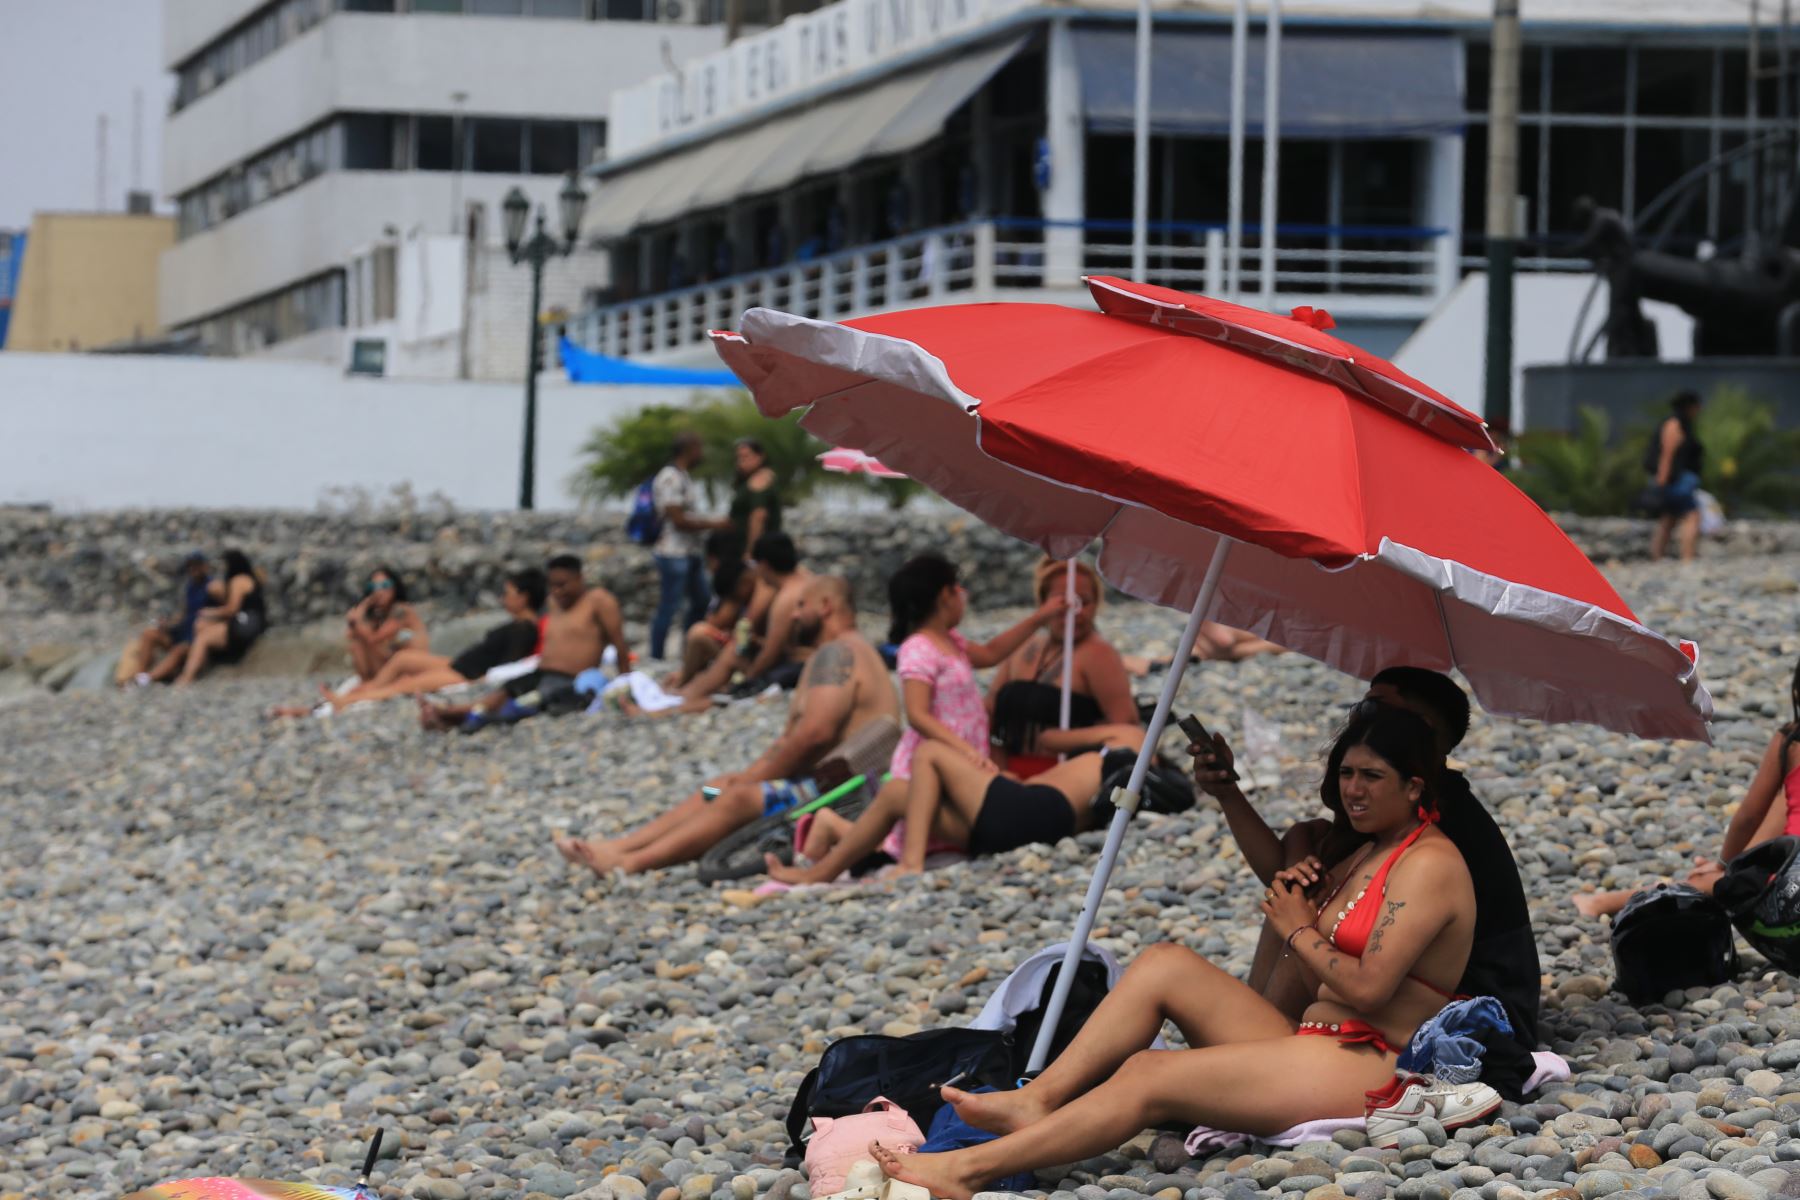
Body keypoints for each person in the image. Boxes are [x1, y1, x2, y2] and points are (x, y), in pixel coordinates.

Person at [869, 709, 1475, 1200]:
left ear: (1414, 785)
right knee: (1164, 960)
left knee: (1149, 1074)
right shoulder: (1372, 847)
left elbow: (1369, 989)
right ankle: (1038, 1099)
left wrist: (1297, 930)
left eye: (1370, 776)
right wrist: (1285, 869)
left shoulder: (1429, 865)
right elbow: (1290, 883)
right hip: (1319, 1039)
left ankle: (966, 1172)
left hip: (1373, 1063)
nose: (1352, 790)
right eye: (1346, 773)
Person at [1196, 666, 1541, 1046]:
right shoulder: (1400, 801)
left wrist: (1300, 922)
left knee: (1304, 906)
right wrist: (1231, 796)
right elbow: (1311, 850)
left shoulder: (1442, 824)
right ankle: (1255, 1035)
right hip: (1389, 1003)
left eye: (1374, 708)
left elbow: (1368, 987)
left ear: (1419, 727)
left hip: (1472, 1014)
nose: (1360, 717)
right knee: (1296, 894)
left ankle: (1257, 1044)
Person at [553, 575, 899, 875]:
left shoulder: (837, 654)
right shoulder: (854, 650)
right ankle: (622, 846)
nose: (794, 614)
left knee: (734, 795)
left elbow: (815, 734)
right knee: (715, 788)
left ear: (826, 606)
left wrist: (757, 776)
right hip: (829, 781)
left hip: (841, 792)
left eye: (802, 606)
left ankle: (635, 861)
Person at [1572, 654, 1800, 917]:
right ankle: (1732, 870)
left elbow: (1748, 818)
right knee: (1788, 799)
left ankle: (1607, 902)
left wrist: (1724, 866)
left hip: (1789, 906)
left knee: (1719, 881)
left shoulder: (1790, 741)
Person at [766, 729, 1144, 884]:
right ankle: (822, 868)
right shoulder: (1115, 776)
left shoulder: (1129, 736)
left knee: (929, 751)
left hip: (1036, 811)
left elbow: (1051, 738)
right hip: (1029, 818)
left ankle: (909, 863)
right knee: (899, 791)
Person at [271, 569, 545, 717]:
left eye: (508, 593)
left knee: (399, 683)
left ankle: (343, 702)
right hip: (460, 663)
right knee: (392, 664)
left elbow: (507, 666)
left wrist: (357, 623)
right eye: (372, 589)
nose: (502, 598)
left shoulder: (402, 612)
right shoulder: (517, 626)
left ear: (525, 597)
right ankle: (341, 700)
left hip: (467, 672)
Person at [420, 555, 627, 732]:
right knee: (501, 694)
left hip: (570, 678)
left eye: (563, 584)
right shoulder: (555, 603)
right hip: (542, 672)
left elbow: (619, 644)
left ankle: (451, 714)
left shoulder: (598, 601)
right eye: (552, 585)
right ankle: (451, 716)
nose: (557, 591)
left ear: (579, 579)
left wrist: (627, 682)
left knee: (521, 704)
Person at [988, 558, 1140, 777]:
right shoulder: (1024, 647)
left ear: (1096, 605)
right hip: (1006, 769)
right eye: (1062, 602)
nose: (1074, 612)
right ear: (1043, 605)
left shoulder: (1099, 655)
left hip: (1066, 775)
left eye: (1083, 602)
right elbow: (988, 709)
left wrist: (1058, 740)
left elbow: (1126, 728)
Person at [650, 433, 732, 662]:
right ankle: (657, 656)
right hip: (673, 553)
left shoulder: (682, 476)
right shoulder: (670, 477)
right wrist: (714, 523)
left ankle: (689, 650)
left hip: (689, 552)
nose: (702, 454)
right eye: (699, 449)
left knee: (701, 601)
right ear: (689, 450)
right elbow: (677, 519)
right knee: (669, 605)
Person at [175, 549, 268, 685]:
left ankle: (187, 676)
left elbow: (232, 609)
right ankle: (201, 664)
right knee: (201, 625)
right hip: (251, 622)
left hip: (245, 625)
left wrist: (210, 612)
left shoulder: (238, 580)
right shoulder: (248, 578)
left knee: (203, 637)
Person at [122, 552, 213, 686]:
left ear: (204, 566)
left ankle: (147, 679)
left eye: (196, 566)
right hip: (183, 632)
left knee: (179, 650)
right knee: (149, 634)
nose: (193, 570)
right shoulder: (190, 587)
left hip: (196, 637)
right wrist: (168, 624)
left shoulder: (213, 586)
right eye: (191, 566)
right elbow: (184, 613)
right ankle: (138, 675)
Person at [1647, 390, 1705, 562]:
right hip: (1674, 482)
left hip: (1674, 481)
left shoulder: (1681, 423)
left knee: (1669, 518)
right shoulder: (1675, 425)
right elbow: (1667, 455)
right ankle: (1687, 557)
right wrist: (1662, 482)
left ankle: (1657, 556)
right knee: (1692, 516)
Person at [342, 566, 426, 682]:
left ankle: (373, 683)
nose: (379, 591)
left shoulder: (402, 610)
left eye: (385, 585)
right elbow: (351, 635)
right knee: (357, 644)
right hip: (393, 667)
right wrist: (360, 614)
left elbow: (373, 639)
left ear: (395, 587)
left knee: (366, 639)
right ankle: (368, 681)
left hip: (415, 668)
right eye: (373, 587)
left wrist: (357, 619)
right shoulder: (379, 616)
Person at [729, 437, 783, 549]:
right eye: (739, 457)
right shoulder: (749, 479)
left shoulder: (761, 479)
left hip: (761, 545)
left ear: (760, 457)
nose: (741, 461)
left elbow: (758, 515)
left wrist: (751, 549)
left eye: (746, 456)